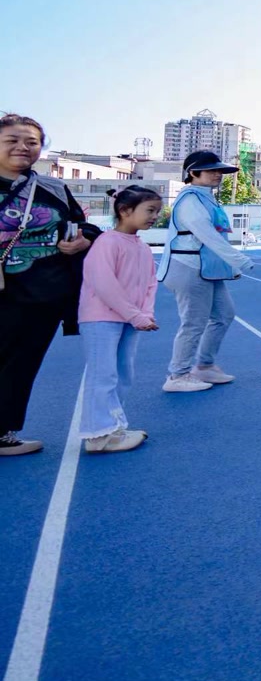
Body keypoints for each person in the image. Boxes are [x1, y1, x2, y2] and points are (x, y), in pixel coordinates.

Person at [0, 115, 95, 457]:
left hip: (44, 295)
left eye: (32, 142)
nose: (23, 147)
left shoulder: (53, 188)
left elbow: (82, 226)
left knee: (21, 366)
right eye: (12, 140)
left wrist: (83, 241)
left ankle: (3, 434)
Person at [77, 186, 164, 453]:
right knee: (103, 374)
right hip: (101, 318)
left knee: (123, 373)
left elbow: (150, 283)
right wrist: (135, 315)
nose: (155, 217)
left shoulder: (142, 247)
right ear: (125, 211)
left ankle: (113, 426)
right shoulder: (107, 242)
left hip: (130, 320)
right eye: (150, 210)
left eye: (157, 212)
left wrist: (145, 314)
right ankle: (97, 435)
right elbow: (104, 284)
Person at [160, 150, 254, 393]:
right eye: (211, 170)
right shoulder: (190, 200)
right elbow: (208, 235)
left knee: (224, 315)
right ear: (192, 173)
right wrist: (239, 261)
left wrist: (231, 265)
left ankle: (204, 365)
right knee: (193, 323)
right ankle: (178, 374)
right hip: (189, 267)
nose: (218, 174)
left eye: (219, 170)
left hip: (206, 268)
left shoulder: (205, 198)